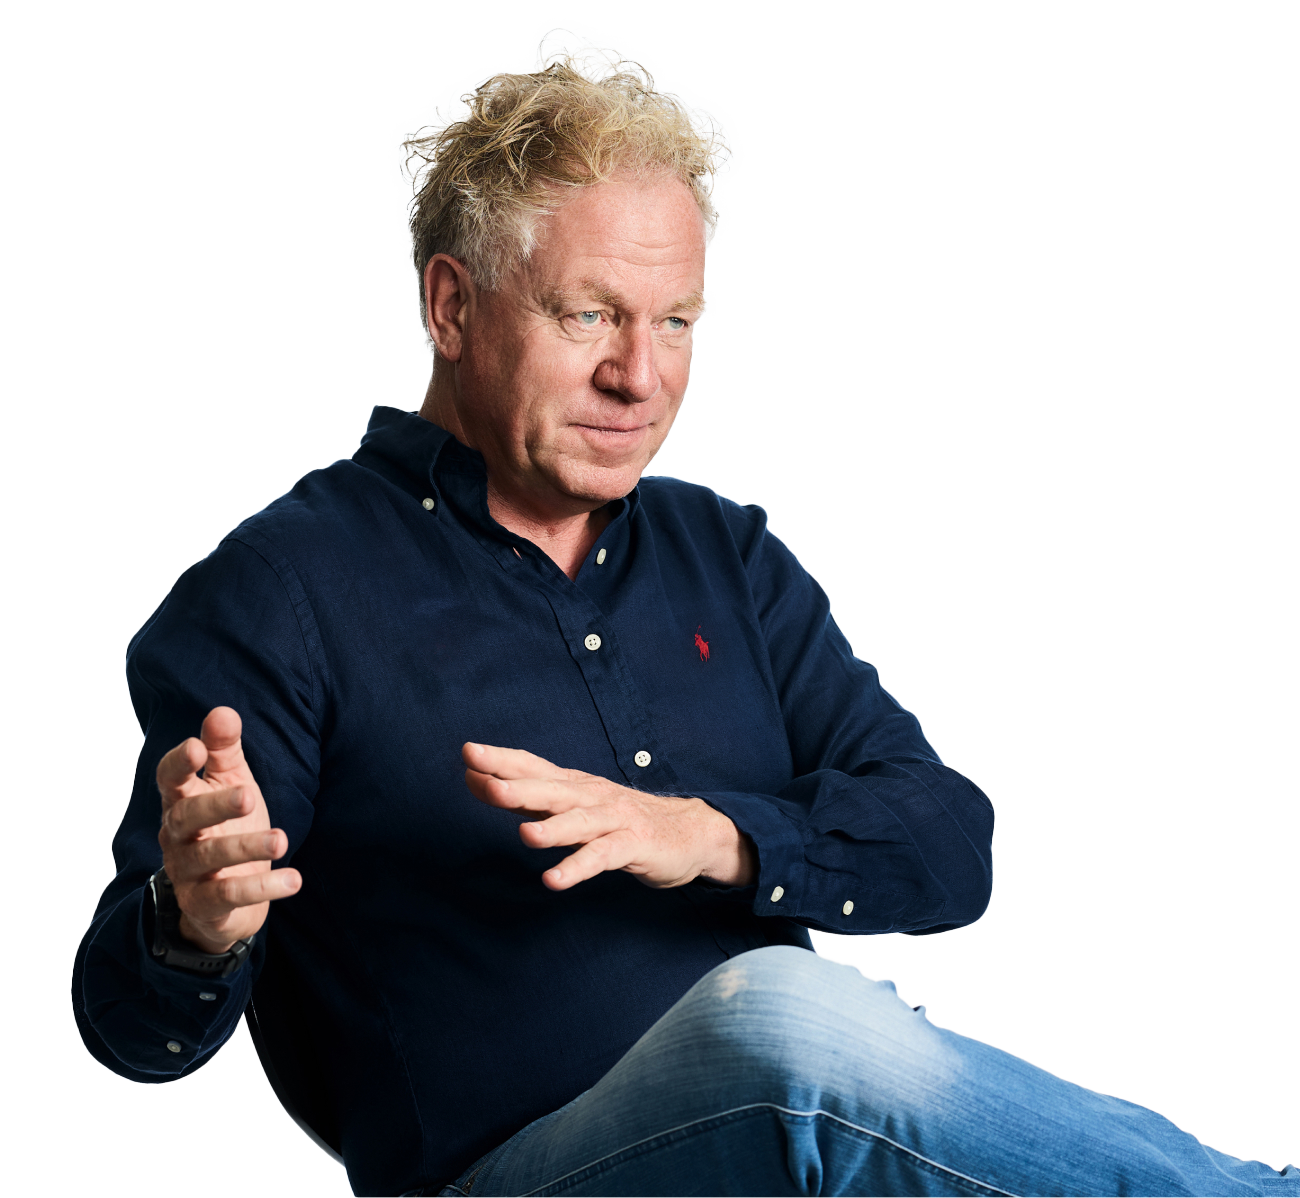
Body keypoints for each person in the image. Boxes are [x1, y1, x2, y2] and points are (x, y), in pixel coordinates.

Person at [73, 45, 1296, 1198]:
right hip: (511, 1174)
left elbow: (946, 844)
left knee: (833, 1034)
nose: (640, 376)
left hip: (796, 1149)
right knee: (790, 1016)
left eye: (675, 321)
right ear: (452, 307)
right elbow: (129, 1029)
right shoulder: (279, 591)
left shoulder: (726, 556)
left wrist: (713, 835)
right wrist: (194, 923)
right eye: (588, 315)